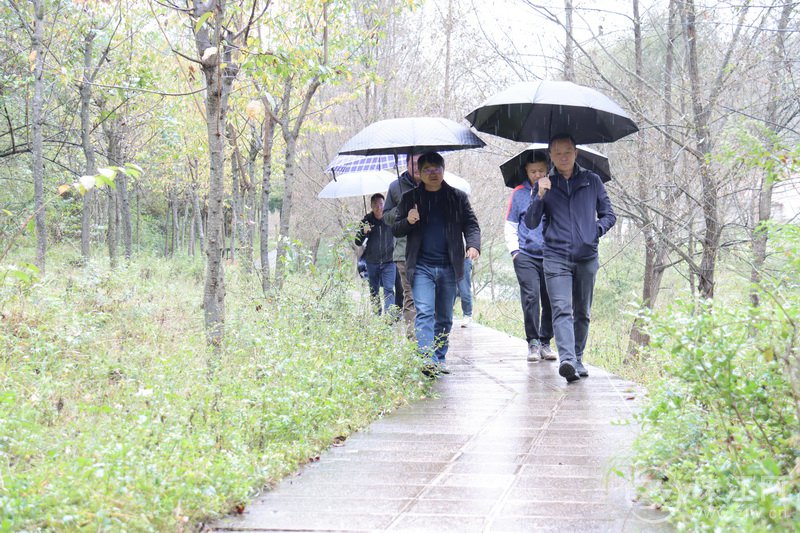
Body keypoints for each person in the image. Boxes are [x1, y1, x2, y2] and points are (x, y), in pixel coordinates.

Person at [524, 134, 616, 383]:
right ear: (551, 157)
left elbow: (609, 215)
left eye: (568, 152)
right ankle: (567, 360)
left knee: (582, 311)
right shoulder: (544, 184)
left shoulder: (592, 181)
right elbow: (531, 222)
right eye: (557, 153)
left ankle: (577, 358)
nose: (563, 157)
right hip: (555, 257)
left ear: (576, 153)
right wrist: (540, 195)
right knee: (561, 309)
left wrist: (593, 232)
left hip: (586, 257)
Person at [393, 152, 480, 374]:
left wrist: (473, 245)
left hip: (450, 266)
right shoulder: (410, 198)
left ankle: (439, 356)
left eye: (436, 169)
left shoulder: (457, 197)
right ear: (419, 173)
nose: (432, 173)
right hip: (421, 266)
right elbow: (396, 227)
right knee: (423, 311)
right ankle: (426, 358)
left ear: (443, 169)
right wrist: (408, 220)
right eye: (427, 170)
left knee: (444, 316)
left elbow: (471, 224)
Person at [505, 150, 556, 362]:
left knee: (551, 299)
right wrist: (514, 251)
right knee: (531, 297)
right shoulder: (518, 193)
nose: (537, 174)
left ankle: (546, 341)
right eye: (533, 171)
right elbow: (510, 224)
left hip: (552, 254)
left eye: (541, 170)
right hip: (525, 254)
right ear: (526, 170)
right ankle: (533, 342)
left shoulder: (556, 189)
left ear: (548, 170)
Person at [383, 154, 421, 336]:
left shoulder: (432, 184)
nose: (417, 166)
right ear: (406, 164)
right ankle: (414, 343)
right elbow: (387, 217)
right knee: (410, 297)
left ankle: (430, 340)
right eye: (413, 163)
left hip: (430, 250)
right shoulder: (395, 187)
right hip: (404, 251)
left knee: (429, 299)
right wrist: (403, 210)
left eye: (420, 162)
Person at [354, 193, 396, 315]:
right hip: (372, 262)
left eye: (381, 204)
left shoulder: (390, 218)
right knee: (374, 290)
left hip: (389, 261)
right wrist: (363, 231)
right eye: (375, 205)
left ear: (384, 204)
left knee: (389, 289)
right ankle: (377, 315)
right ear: (371, 206)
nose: (379, 207)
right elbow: (358, 242)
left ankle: (388, 318)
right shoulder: (366, 220)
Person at [456, 257, 474, 327]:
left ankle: (467, 315)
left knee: (464, 290)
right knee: (449, 289)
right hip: (447, 257)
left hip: (464, 259)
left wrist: (473, 246)